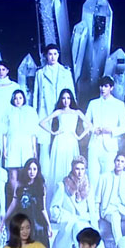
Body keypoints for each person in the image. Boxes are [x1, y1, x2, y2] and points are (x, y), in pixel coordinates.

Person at [33, 43, 76, 180]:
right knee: (44, 145)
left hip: (62, 108)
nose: (53, 57)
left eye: (55, 54)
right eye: (50, 54)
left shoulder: (65, 72)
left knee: (63, 141)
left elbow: (71, 93)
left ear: (58, 55)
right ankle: (45, 179)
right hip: (45, 110)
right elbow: (36, 95)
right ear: (46, 56)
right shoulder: (40, 73)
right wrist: (35, 113)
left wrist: (72, 111)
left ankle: (65, 177)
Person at [38, 88, 92, 195]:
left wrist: (79, 137)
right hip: (60, 141)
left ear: (71, 99)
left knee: (71, 166)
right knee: (58, 168)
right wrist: (53, 132)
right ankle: (57, 195)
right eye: (63, 98)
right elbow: (42, 122)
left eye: (68, 98)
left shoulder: (76, 112)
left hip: (71, 141)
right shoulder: (59, 112)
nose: (66, 100)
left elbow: (89, 125)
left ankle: (72, 195)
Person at [49, 156, 101, 248]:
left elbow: (93, 212)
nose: (80, 172)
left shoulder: (88, 187)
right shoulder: (62, 186)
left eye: (82, 169)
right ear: (72, 169)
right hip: (68, 223)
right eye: (77, 169)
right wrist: (67, 216)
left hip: (83, 222)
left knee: (81, 228)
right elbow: (53, 210)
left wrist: (87, 218)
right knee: (75, 226)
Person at [85, 76, 125, 189]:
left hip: (110, 147)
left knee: (107, 179)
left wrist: (111, 130)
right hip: (94, 145)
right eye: (101, 86)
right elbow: (85, 122)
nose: (103, 89)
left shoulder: (119, 104)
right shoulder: (93, 103)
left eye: (106, 86)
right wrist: (93, 129)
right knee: (92, 179)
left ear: (111, 88)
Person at [1, 158, 52, 248]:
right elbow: (13, 204)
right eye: (29, 169)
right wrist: (3, 220)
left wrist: (49, 225)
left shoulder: (41, 186)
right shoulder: (19, 185)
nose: (32, 172)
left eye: (34, 169)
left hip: (37, 222)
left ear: (38, 171)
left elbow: (43, 208)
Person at [2, 89, 39, 199]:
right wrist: (5, 149)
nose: (18, 100)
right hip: (12, 144)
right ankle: (15, 198)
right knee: (12, 174)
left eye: (20, 98)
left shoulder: (30, 111)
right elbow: (4, 133)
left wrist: (34, 149)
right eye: (15, 98)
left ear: (24, 99)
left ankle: (25, 198)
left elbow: (33, 133)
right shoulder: (8, 112)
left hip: (26, 145)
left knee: (26, 172)